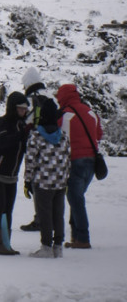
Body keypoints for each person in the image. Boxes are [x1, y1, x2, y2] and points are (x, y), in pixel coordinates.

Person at [56, 83, 104, 250]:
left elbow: (56, 136)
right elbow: (99, 135)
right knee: (76, 198)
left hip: (74, 160)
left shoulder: (64, 115)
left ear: (62, 97)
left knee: (76, 199)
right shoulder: (91, 112)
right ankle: (76, 237)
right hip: (91, 161)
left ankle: (82, 238)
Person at [0, 91, 29, 255]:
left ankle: (5, 243)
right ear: (12, 108)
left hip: (11, 175)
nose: (24, 111)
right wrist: (21, 135)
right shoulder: (2, 122)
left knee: (8, 208)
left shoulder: (22, 126)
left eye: (25, 108)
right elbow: (2, 141)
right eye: (21, 108)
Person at [23, 98, 71, 258]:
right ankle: (58, 246)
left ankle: (46, 247)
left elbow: (30, 160)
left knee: (45, 215)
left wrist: (27, 181)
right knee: (58, 214)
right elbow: (67, 159)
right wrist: (66, 179)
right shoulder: (63, 136)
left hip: (42, 182)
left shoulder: (36, 136)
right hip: (60, 181)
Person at [19, 67, 57, 232]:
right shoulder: (51, 98)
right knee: (53, 186)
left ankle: (40, 220)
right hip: (55, 147)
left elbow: (27, 123)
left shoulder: (33, 99)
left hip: (37, 146)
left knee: (37, 185)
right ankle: (52, 219)